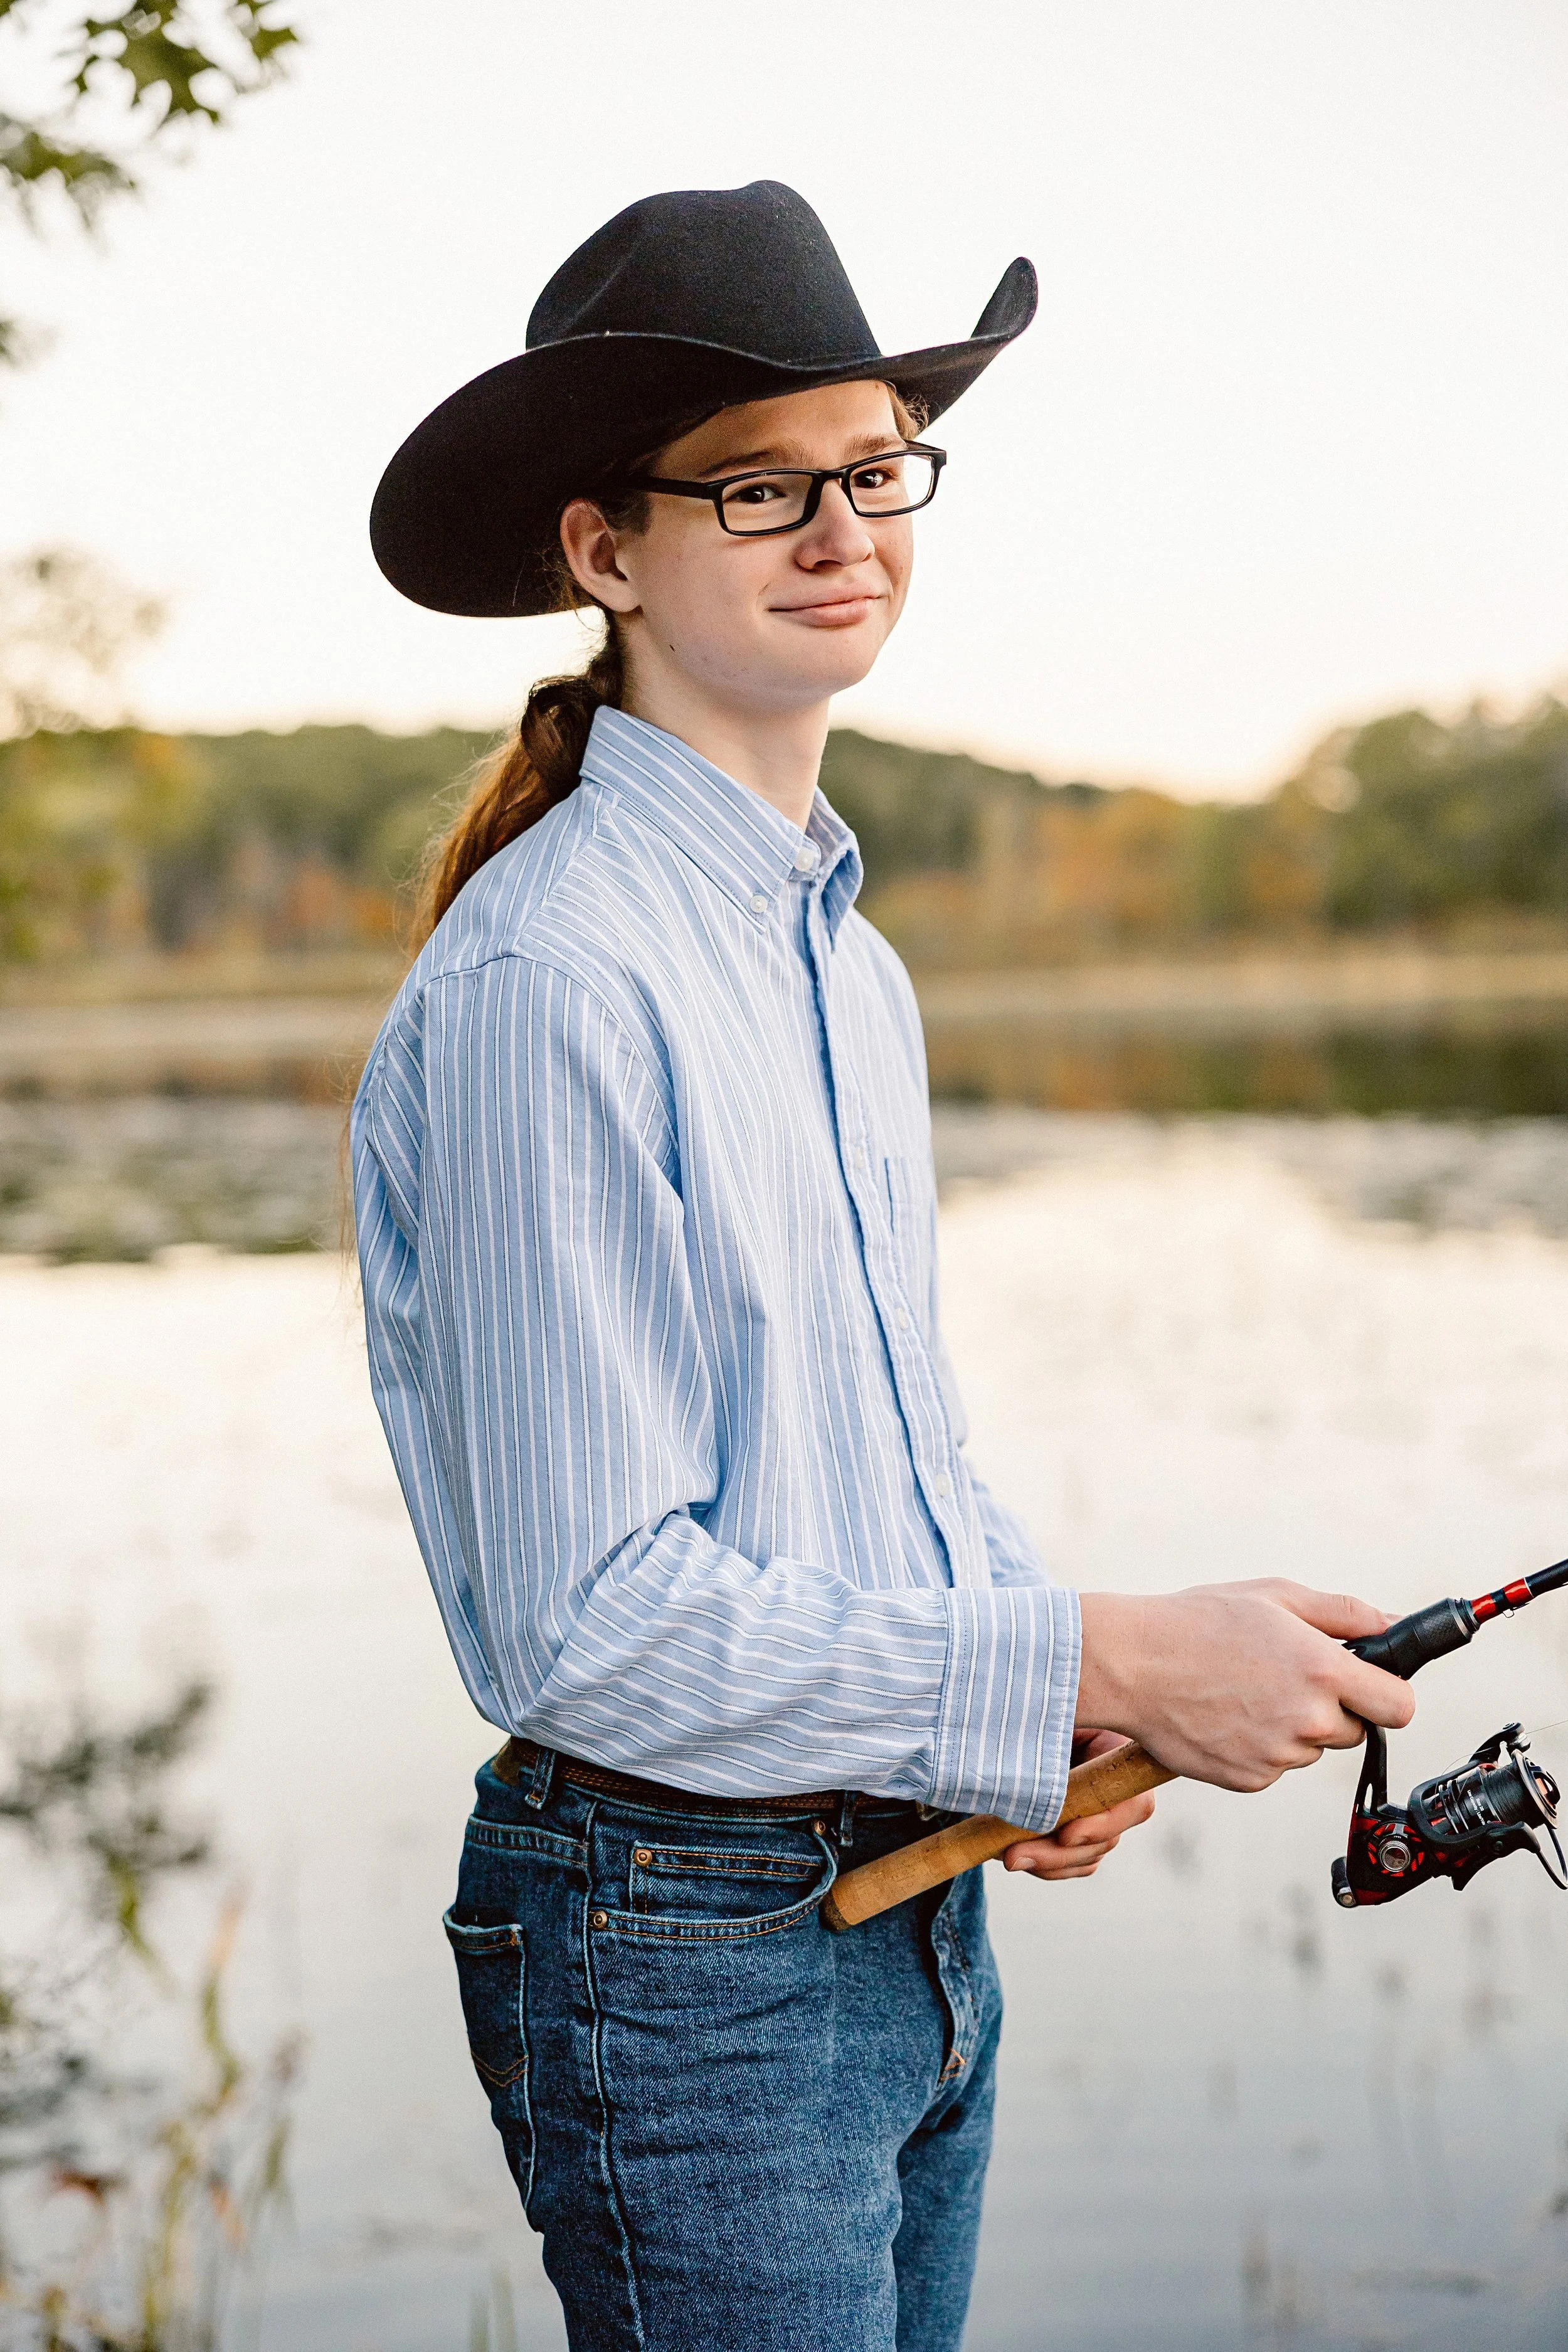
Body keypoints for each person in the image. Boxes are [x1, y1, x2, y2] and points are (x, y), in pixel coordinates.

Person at [352, 181, 1413, 2352]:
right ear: (601, 550)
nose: (842, 526)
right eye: (759, 484)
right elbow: (586, 1627)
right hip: (683, 1952)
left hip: (901, 1912)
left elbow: (866, 1453)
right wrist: (1089, 1658)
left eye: (871, 468)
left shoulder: (854, 969)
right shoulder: (551, 976)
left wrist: (1047, 1701)